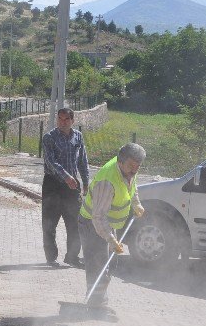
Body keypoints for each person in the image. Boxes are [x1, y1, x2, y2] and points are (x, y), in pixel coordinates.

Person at [77, 143, 146, 310]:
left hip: (108, 224)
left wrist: (136, 203)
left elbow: (132, 186)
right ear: (120, 162)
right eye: (131, 166)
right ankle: (96, 306)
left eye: (138, 166)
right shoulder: (107, 182)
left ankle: (98, 302)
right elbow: (98, 217)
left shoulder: (129, 169)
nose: (134, 170)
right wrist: (111, 239)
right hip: (92, 225)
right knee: (98, 266)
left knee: (109, 264)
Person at [42, 107, 90, 267]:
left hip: (72, 186)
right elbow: (51, 161)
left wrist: (86, 182)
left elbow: (82, 160)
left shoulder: (78, 136)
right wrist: (66, 176)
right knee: (50, 223)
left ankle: (72, 257)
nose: (63, 122)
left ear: (72, 121)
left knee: (75, 223)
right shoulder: (49, 137)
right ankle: (51, 258)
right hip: (53, 185)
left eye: (66, 119)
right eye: (60, 119)